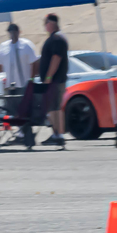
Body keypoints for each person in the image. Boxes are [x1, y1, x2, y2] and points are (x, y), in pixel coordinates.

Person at [38, 12, 70, 147]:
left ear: (51, 23)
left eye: (45, 23)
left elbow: (56, 59)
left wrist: (48, 77)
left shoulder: (56, 39)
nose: (44, 26)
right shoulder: (56, 38)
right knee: (53, 108)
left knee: (54, 107)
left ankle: (58, 135)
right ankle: (57, 134)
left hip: (54, 81)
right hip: (55, 80)